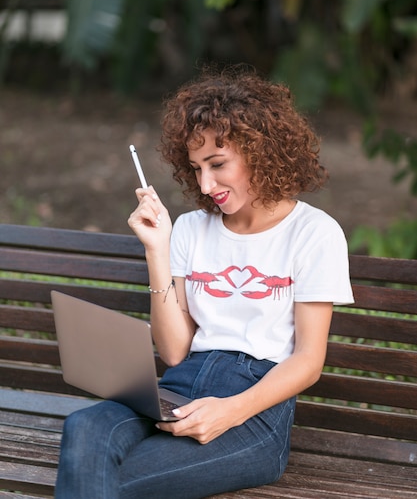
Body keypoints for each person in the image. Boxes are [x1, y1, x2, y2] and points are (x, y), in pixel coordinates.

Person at [55, 65, 354, 499]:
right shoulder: (192, 229)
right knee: (85, 427)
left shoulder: (314, 233)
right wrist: (157, 250)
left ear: (262, 152)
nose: (205, 183)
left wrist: (231, 411)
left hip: (256, 410)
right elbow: (176, 351)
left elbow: (308, 359)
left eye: (217, 164)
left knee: (113, 480)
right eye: (195, 168)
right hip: (180, 388)